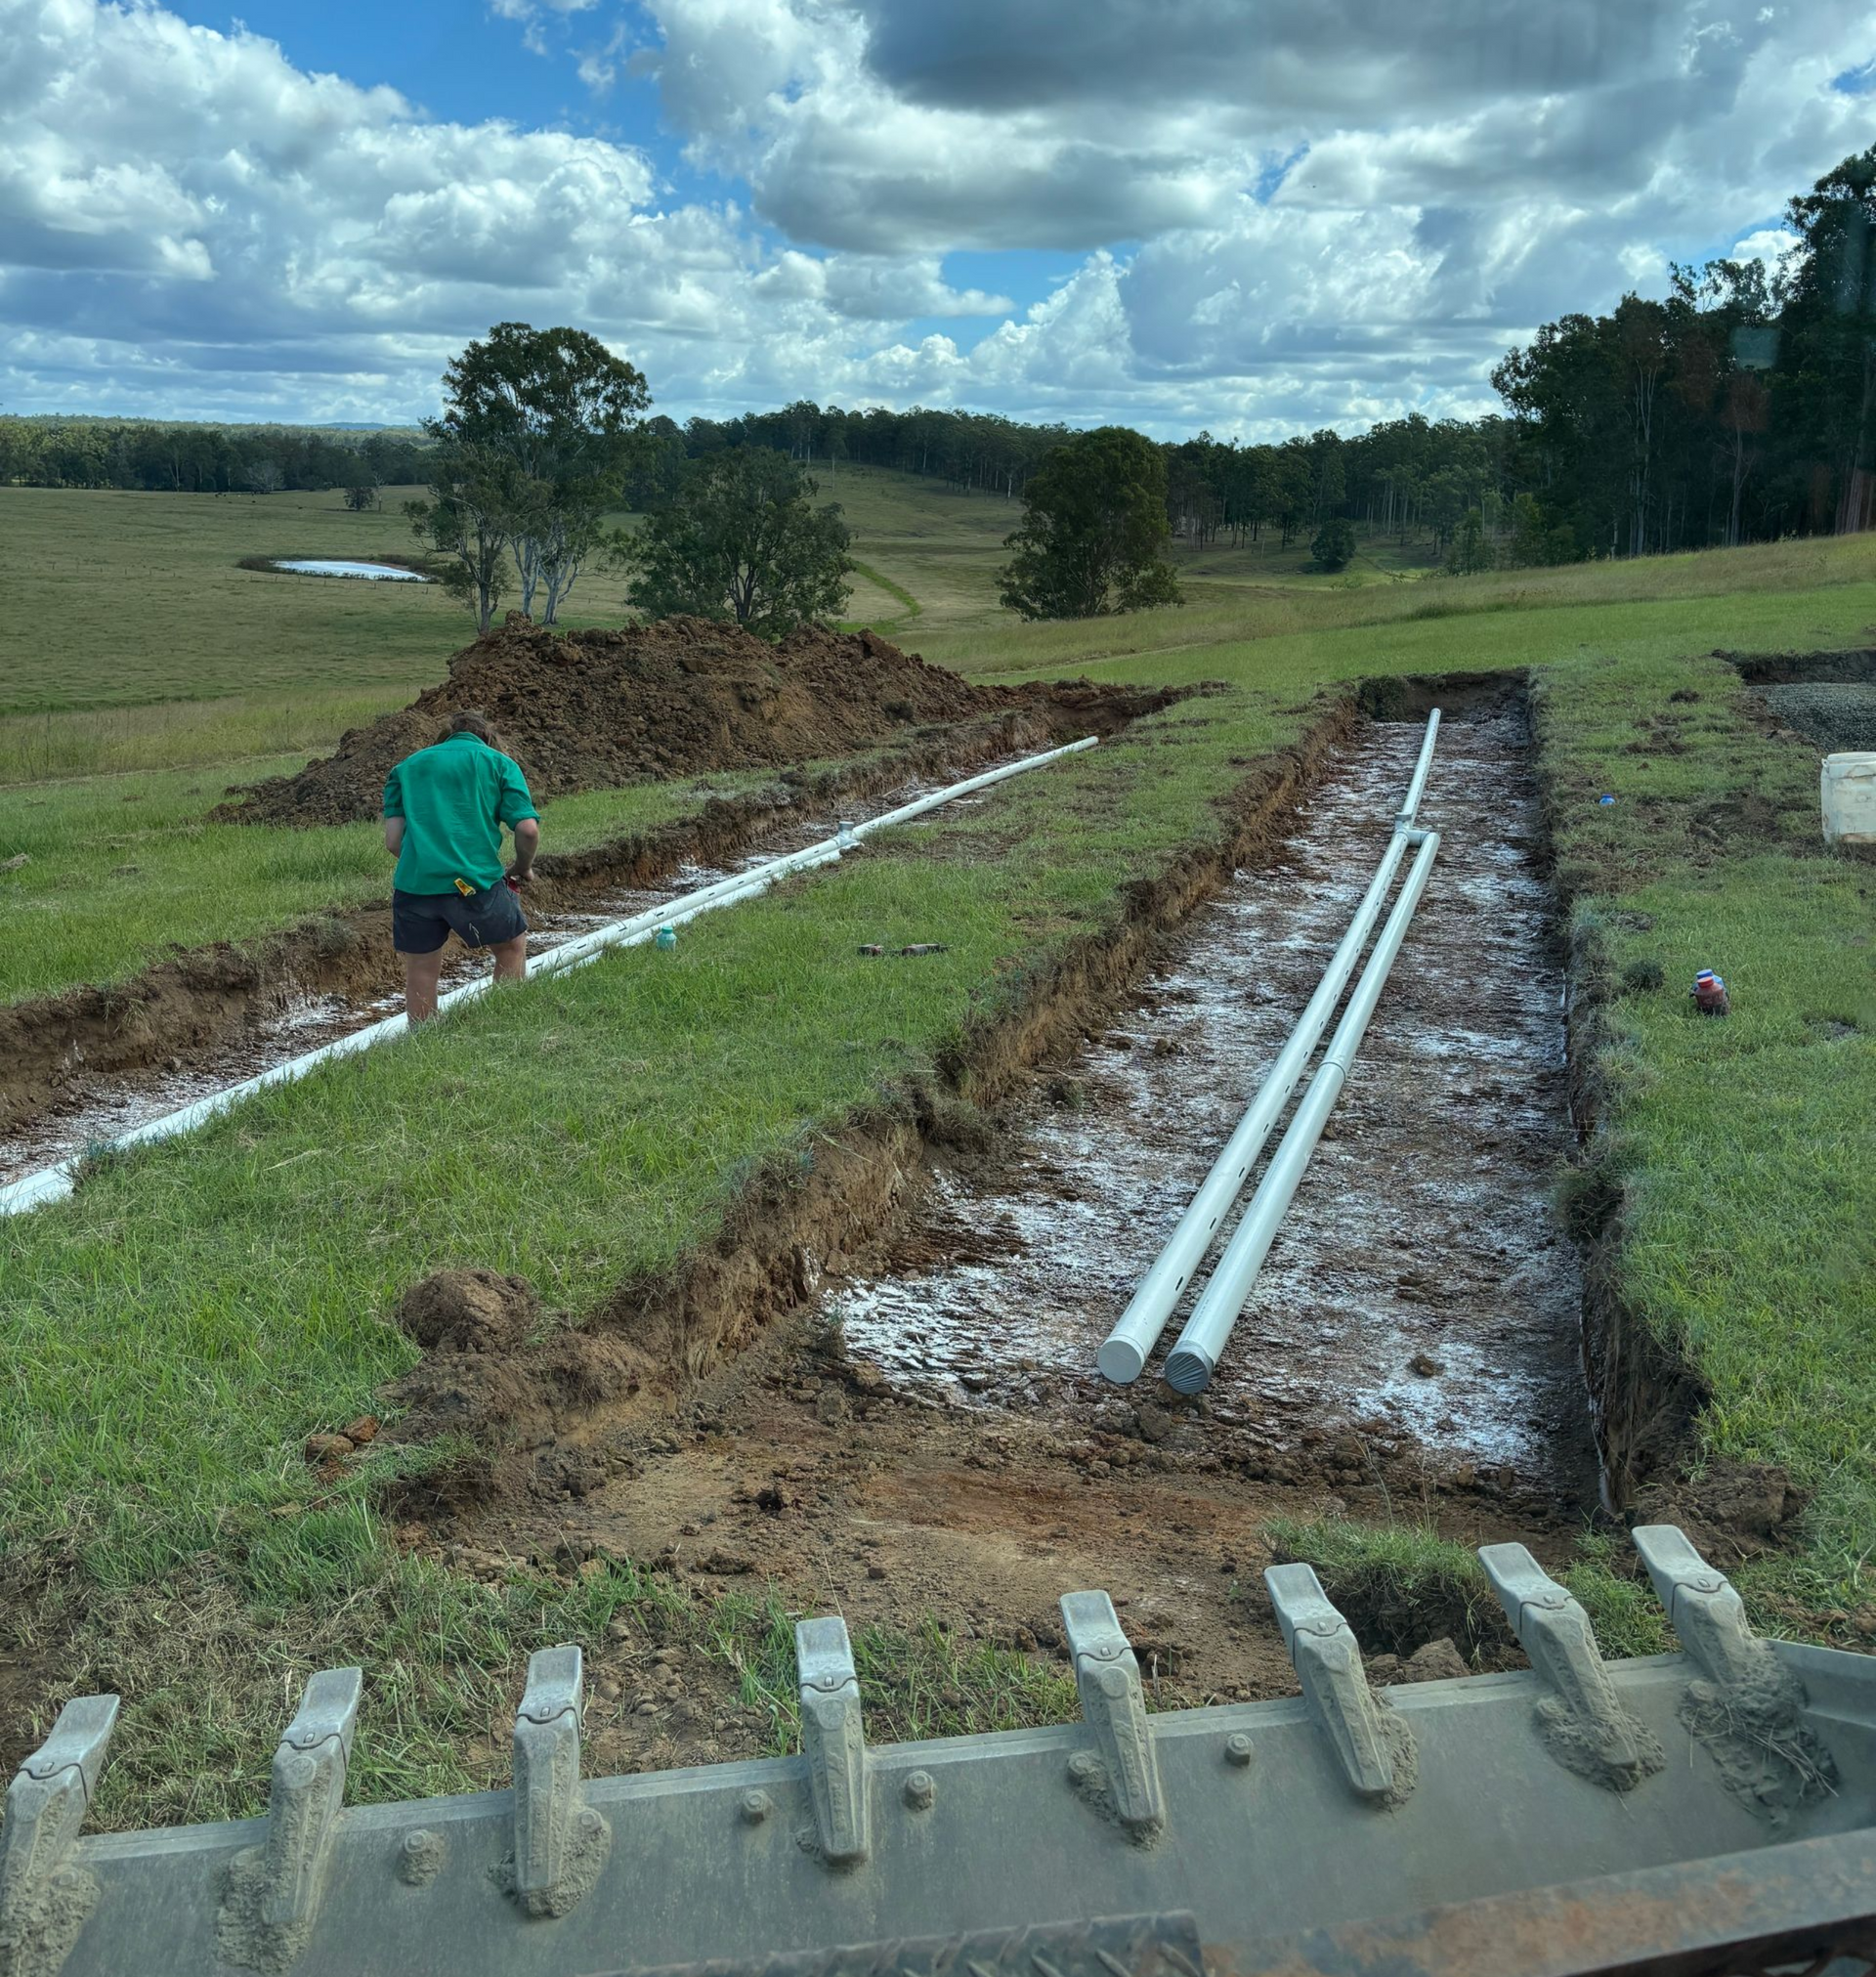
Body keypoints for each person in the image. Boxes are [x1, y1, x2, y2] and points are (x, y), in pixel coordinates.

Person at [382, 709, 539, 1021]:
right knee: (511, 946)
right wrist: (523, 865)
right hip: (475, 883)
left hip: (415, 886)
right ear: (488, 737)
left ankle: (424, 1047)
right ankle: (506, 1024)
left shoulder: (407, 767)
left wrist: (429, 862)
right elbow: (527, 830)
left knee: (422, 969)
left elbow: (393, 841)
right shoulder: (499, 763)